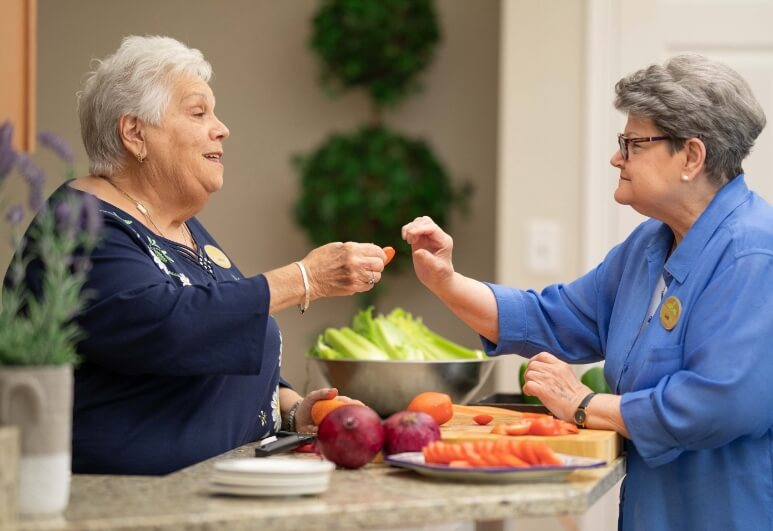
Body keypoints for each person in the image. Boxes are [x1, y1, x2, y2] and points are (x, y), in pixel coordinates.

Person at [402, 54, 773, 530]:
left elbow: (719, 405)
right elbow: (550, 320)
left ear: (691, 156)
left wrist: (582, 404)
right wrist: (445, 281)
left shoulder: (753, 254)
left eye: (633, 143)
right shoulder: (649, 245)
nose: (617, 158)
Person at [3, 35, 386, 475]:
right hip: (127, 501)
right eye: (198, 112)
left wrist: (292, 409)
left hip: (215, 486)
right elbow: (164, 327)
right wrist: (304, 278)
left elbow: (218, 334)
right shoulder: (79, 225)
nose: (221, 128)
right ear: (134, 133)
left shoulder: (176, 224)